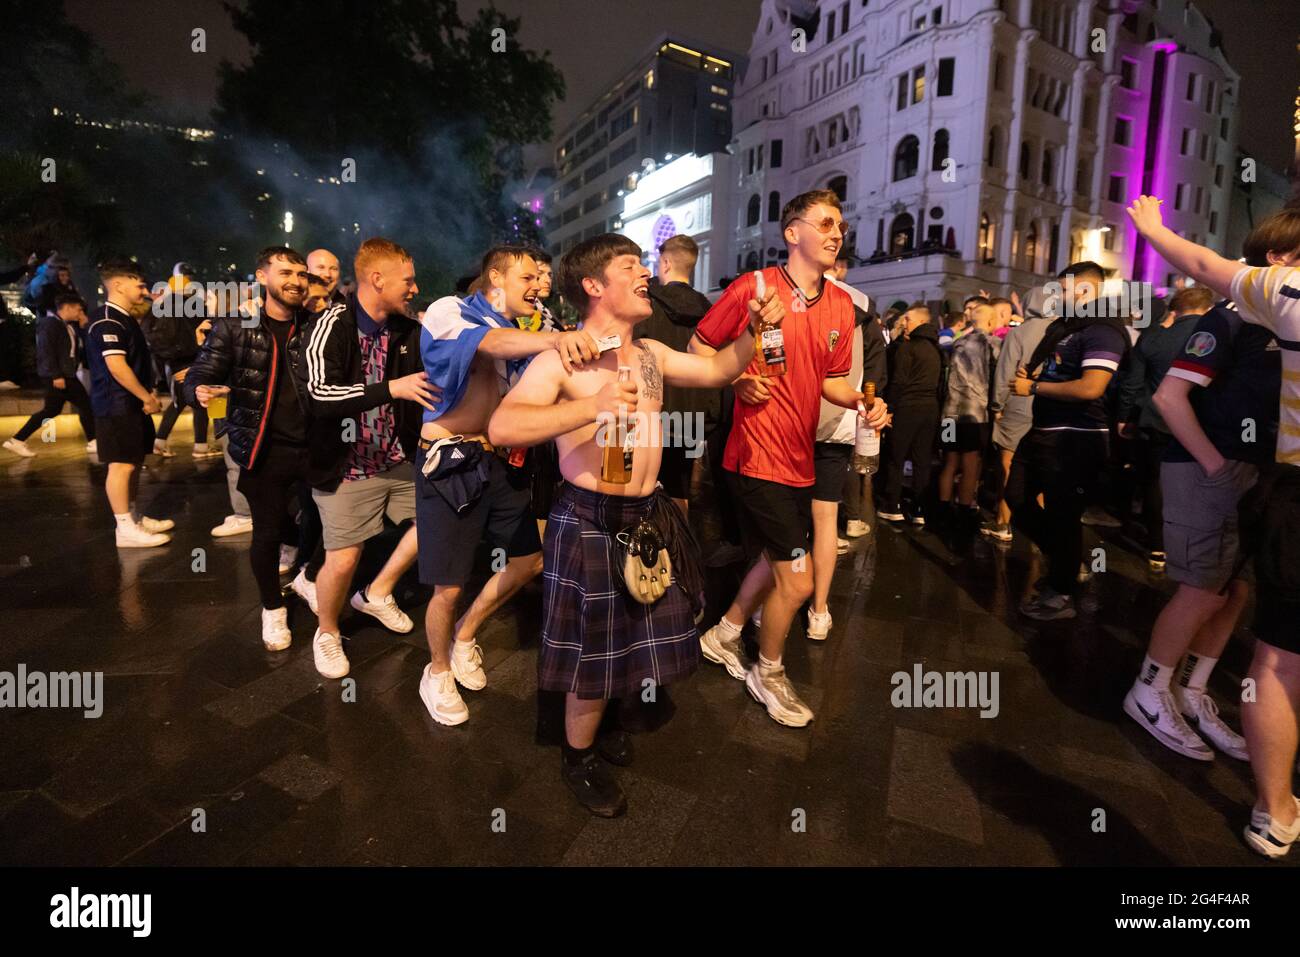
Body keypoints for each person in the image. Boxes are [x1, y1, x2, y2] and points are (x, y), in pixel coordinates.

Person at [488, 233, 766, 816]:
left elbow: (718, 368)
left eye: (644, 263)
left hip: (645, 514)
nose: (644, 274)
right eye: (630, 265)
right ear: (594, 285)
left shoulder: (650, 355)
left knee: (628, 638)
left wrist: (754, 329)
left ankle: (607, 720)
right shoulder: (561, 358)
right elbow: (505, 427)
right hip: (588, 517)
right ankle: (576, 756)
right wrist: (590, 407)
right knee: (593, 650)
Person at [1126, 195, 1300, 857]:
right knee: (1200, 588)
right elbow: (1170, 396)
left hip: (1262, 479)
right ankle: (1149, 689)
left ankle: (1195, 690)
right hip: (1212, 471)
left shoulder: (1271, 317)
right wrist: (1215, 465)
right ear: (1276, 260)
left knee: (1235, 591)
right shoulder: (1233, 320)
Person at [691, 189, 887, 727]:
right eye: (824, 222)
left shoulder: (844, 304)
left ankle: (725, 633)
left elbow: (831, 383)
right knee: (797, 579)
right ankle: (768, 670)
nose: (836, 232)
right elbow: (698, 349)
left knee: (772, 559)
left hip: (802, 457)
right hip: (754, 456)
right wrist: (739, 377)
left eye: (841, 225)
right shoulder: (752, 288)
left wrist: (866, 402)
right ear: (792, 232)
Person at [413, 245, 592, 725]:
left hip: (498, 462)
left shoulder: (523, 329)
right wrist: (557, 340)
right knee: (448, 586)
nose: (539, 285)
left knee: (529, 559)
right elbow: (489, 345)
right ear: (495, 276)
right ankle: (436, 671)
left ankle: (466, 634)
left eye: (540, 277)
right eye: (528, 277)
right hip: (449, 461)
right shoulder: (450, 310)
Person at [296, 238, 438, 679]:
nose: (414, 289)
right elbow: (318, 395)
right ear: (377, 279)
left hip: (396, 457)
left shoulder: (406, 329)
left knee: (434, 521)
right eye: (408, 281)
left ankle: (377, 592)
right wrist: (390, 389)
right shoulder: (331, 324)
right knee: (343, 557)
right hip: (346, 466)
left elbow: (439, 369)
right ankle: (327, 631)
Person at [184, 246, 318, 651]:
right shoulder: (234, 326)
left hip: (314, 447)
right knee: (266, 532)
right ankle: (272, 608)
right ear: (262, 276)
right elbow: (201, 372)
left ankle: (308, 577)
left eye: (301, 273)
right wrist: (199, 391)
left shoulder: (314, 326)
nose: (295, 280)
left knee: (325, 523)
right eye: (285, 273)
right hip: (262, 447)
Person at [1005, 261, 1129, 620]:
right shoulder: (1066, 327)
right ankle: (1068, 563)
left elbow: (1092, 387)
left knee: (1063, 515)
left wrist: (1035, 386)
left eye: (1064, 290)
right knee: (1016, 497)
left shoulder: (1104, 330)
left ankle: (1061, 592)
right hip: (1044, 429)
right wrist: (1033, 372)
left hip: (1078, 438)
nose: (1057, 296)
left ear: (1088, 291)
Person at [1116, 285, 1214, 569]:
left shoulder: (1155, 337)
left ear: (1175, 309)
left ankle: (1158, 546)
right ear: (1207, 309)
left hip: (1158, 421)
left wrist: (1125, 417)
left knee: (1155, 483)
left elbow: (1132, 383)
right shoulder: (1217, 338)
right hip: (1202, 424)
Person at [85, 257, 174, 547]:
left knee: (133, 462)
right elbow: (116, 366)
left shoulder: (125, 318)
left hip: (128, 405)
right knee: (121, 465)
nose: (144, 288)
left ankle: (132, 517)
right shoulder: (107, 319)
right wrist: (144, 396)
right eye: (139, 283)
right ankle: (124, 528)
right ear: (118, 284)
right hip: (116, 405)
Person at [638, 234, 716, 516]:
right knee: (681, 486)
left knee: (646, 482)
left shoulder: (648, 305)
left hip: (656, 411)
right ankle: (680, 548)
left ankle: (655, 550)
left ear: (666, 262)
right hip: (693, 411)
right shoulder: (707, 309)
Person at [983, 289, 1054, 541]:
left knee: (1009, 466)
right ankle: (1041, 525)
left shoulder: (1019, 333)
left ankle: (1003, 522)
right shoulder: (1063, 331)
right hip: (1051, 406)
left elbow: (1004, 373)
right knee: (1043, 468)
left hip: (1018, 405)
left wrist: (996, 406)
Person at [4, 293, 96, 458]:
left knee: (53, 410)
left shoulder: (66, 325)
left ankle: (17, 440)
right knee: (84, 406)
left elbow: (75, 348)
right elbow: (46, 351)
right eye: (78, 309)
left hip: (64, 374)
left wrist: (83, 325)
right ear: (67, 307)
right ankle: (93, 441)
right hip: (60, 376)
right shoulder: (50, 324)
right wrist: (56, 375)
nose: (80, 313)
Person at [936, 302, 998, 539]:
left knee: (950, 462)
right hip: (975, 414)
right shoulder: (991, 344)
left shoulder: (958, 343)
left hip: (949, 414)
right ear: (991, 322)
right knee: (970, 463)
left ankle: (942, 508)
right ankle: (964, 510)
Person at [878, 304, 942, 525]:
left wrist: (890, 410)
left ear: (921, 322)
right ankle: (919, 509)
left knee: (896, 457)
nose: (904, 323)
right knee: (922, 460)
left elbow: (898, 382)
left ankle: (892, 506)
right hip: (930, 409)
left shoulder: (909, 347)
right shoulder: (937, 349)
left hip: (907, 408)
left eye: (908, 320)